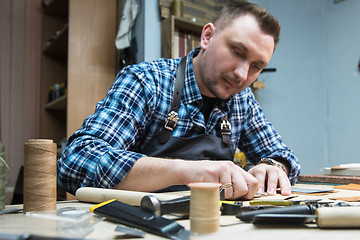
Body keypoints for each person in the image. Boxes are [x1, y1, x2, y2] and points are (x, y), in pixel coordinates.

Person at [57, 1, 300, 200]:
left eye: (256, 66)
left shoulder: (241, 99)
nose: (242, 74)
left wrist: (273, 167)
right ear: (207, 37)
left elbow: (282, 154)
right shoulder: (146, 81)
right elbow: (75, 160)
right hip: (135, 224)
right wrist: (185, 171)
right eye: (237, 51)